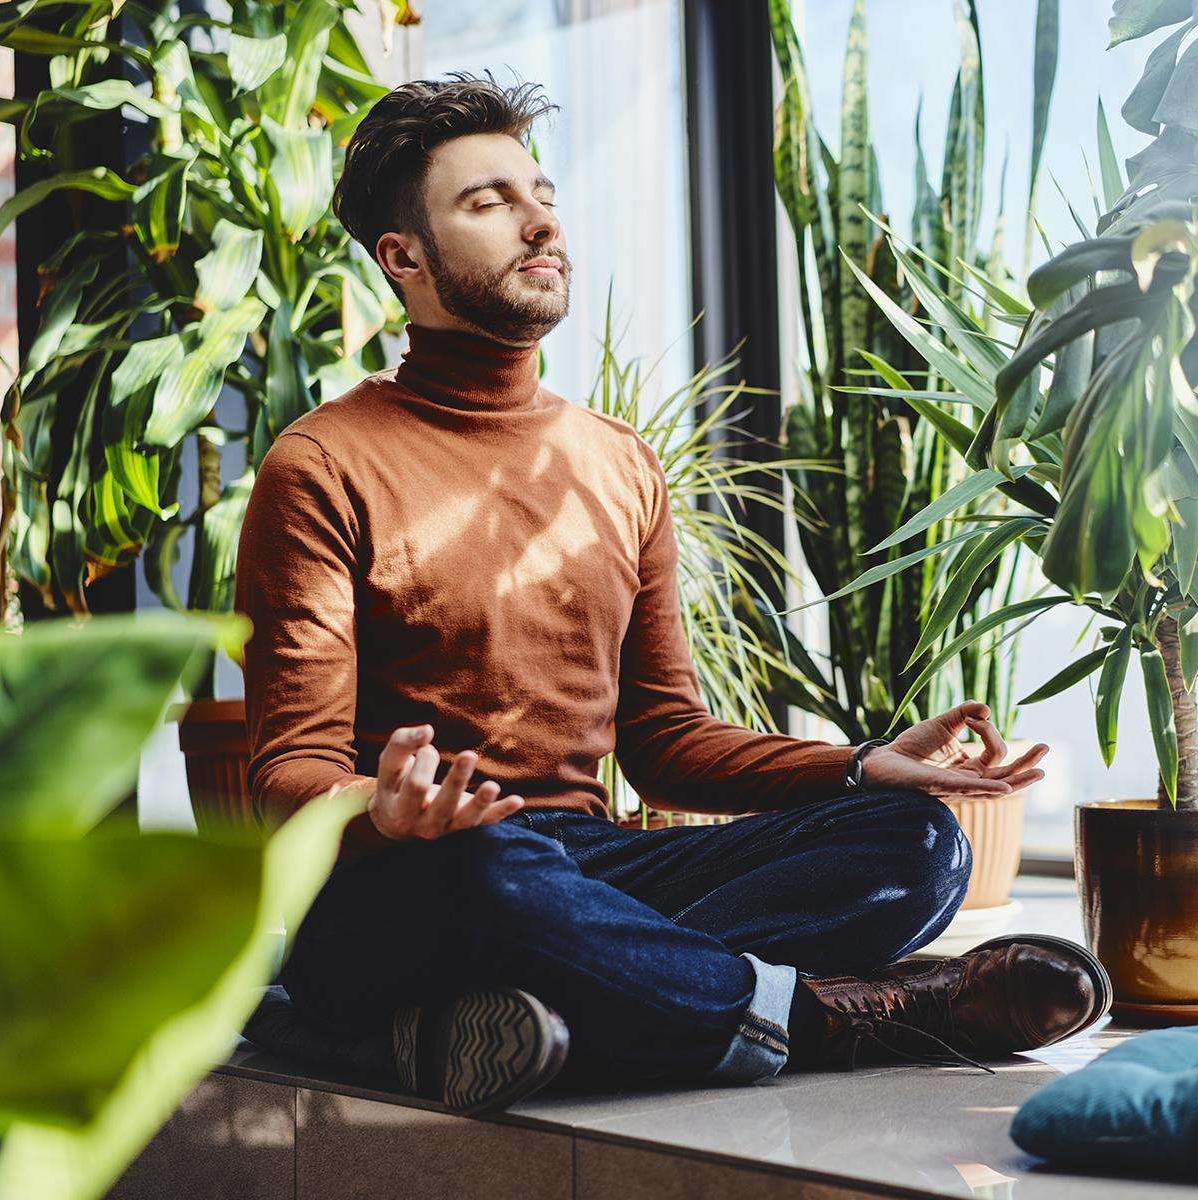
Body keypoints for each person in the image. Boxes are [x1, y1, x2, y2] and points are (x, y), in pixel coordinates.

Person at [232, 70, 1109, 1115]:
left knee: (912, 842)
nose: (538, 220)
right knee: (487, 868)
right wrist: (381, 810)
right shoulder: (322, 464)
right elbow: (287, 772)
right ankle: (830, 1018)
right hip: (418, 882)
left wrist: (867, 764)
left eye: (540, 191)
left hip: (589, 872)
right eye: (489, 202)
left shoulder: (619, 464)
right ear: (402, 258)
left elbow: (661, 739)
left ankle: (483, 1028)